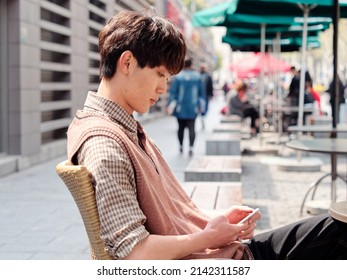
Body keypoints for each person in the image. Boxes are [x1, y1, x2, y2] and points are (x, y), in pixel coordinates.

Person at [66, 10, 347, 260]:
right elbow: (134, 254)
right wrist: (209, 237)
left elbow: (163, 218)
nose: (163, 88)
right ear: (127, 63)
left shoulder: (122, 128)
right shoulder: (105, 142)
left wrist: (217, 220)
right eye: (161, 75)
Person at [167, 58, 205, 156]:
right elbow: (201, 94)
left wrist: (170, 105)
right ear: (191, 65)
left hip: (180, 108)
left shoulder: (178, 77)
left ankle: (180, 146)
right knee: (192, 127)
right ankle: (191, 147)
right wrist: (202, 107)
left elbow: (173, 93)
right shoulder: (197, 77)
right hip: (193, 108)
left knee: (180, 128)